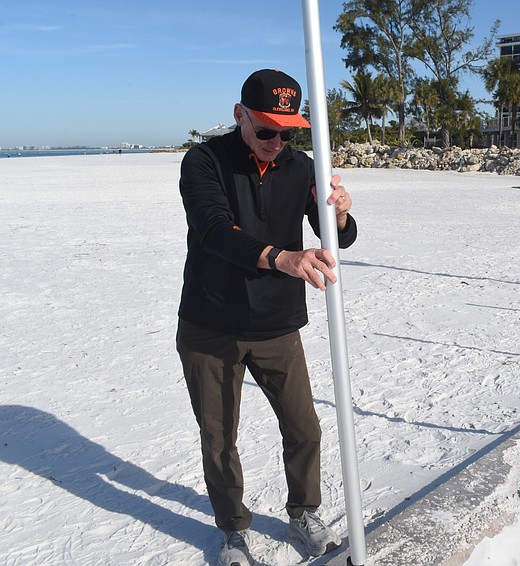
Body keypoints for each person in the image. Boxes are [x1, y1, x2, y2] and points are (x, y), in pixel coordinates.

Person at [176, 68, 357, 566]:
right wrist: (283, 258)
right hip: (209, 324)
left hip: (277, 323)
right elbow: (213, 230)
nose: (276, 141)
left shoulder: (301, 166)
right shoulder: (204, 161)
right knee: (220, 437)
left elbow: (337, 237)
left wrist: (338, 213)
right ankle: (233, 530)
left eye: (286, 131)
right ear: (240, 116)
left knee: (304, 428)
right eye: (265, 130)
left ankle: (303, 513)